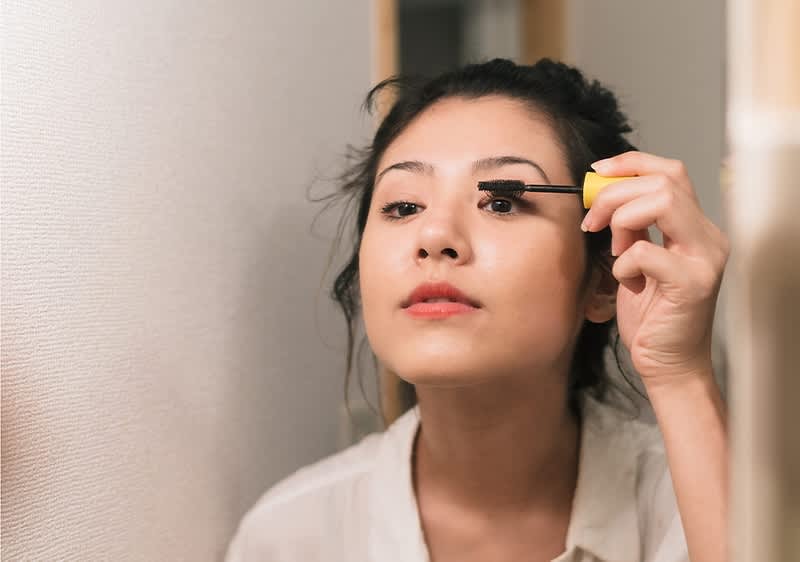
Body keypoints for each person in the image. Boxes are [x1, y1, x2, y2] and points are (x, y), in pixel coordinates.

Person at [226, 58, 729, 562]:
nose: (435, 236)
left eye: (502, 202)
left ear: (601, 278)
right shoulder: (289, 539)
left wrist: (680, 373)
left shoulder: (697, 513)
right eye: (403, 207)